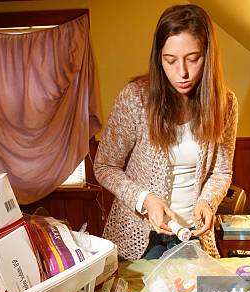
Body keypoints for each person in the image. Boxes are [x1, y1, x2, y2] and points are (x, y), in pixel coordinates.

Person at [94, 4, 238, 260]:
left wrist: (207, 201)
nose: (182, 72)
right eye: (170, 60)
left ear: (208, 55)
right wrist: (145, 199)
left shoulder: (225, 104)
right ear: (159, 57)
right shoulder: (136, 98)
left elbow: (221, 171)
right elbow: (104, 166)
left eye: (193, 59)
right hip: (139, 235)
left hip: (192, 234)